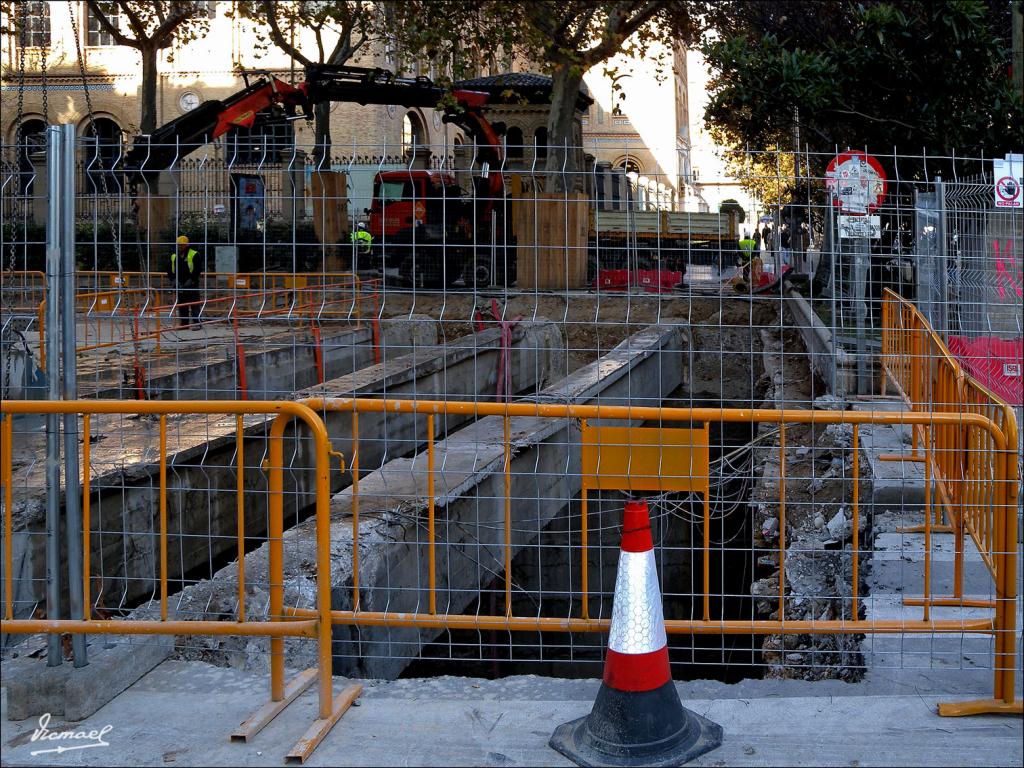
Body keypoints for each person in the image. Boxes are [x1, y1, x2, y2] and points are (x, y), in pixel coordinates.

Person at [168, 235, 203, 326]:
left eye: (182, 245)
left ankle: (197, 323)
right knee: (182, 304)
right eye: (178, 245)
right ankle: (184, 323)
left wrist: (191, 280)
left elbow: (197, 270)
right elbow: (169, 270)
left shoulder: (194, 254)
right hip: (179, 283)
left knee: (194, 304)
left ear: (187, 245)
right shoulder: (174, 256)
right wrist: (174, 280)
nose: (180, 246)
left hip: (192, 283)